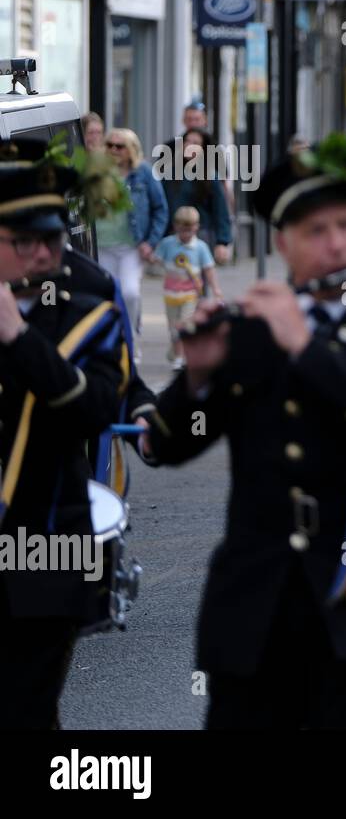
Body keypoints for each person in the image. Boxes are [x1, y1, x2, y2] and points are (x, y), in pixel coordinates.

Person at [145, 136, 346, 728]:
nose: (335, 244)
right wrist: (199, 376)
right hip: (259, 611)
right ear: (283, 243)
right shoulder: (251, 328)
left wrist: (305, 346)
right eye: (314, 231)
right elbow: (166, 446)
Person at [0, 139, 129, 728]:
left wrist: (19, 340)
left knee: (26, 710)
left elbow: (97, 408)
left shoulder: (89, 307)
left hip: (44, 548)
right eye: (25, 242)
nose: (46, 254)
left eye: (53, 239)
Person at [102, 128, 168, 342]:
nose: (113, 150)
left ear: (131, 150)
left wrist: (151, 242)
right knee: (106, 295)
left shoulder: (144, 173)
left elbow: (160, 209)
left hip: (131, 246)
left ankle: (130, 339)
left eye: (119, 146)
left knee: (130, 292)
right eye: (109, 145)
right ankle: (110, 341)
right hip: (101, 245)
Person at [154, 206, 221, 369]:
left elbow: (209, 269)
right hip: (170, 295)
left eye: (190, 231)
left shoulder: (200, 247)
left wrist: (215, 288)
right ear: (176, 227)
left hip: (190, 295)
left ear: (196, 228)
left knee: (183, 325)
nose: (186, 235)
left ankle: (180, 358)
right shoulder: (167, 244)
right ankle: (175, 351)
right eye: (183, 230)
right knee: (173, 328)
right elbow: (156, 259)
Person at [158, 130, 233, 265]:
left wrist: (222, 241)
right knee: (176, 279)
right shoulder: (169, 173)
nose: (190, 146)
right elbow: (160, 207)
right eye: (187, 141)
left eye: (196, 143)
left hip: (201, 234)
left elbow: (221, 211)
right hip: (174, 234)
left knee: (200, 280)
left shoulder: (211, 176)